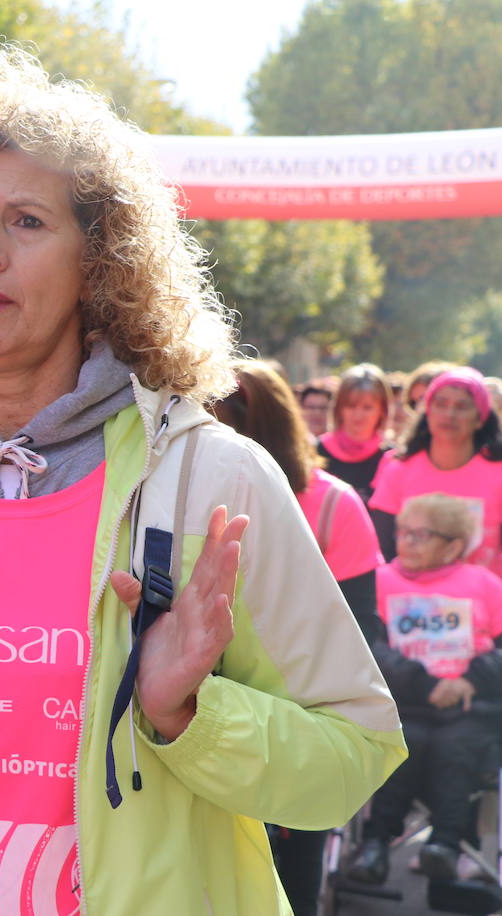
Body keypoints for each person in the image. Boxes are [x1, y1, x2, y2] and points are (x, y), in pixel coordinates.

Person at [0, 46, 404, 915]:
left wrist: (186, 715)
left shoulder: (210, 482)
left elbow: (352, 760)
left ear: (101, 261)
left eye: (27, 221)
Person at [212, 360, 384, 916]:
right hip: (198, 719)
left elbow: (361, 629)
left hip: (294, 723)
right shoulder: (175, 491)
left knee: (294, 880)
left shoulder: (334, 505)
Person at [347, 493, 502, 886]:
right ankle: (375, 846)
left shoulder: (485, 585)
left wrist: (470, 680)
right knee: (401, 747)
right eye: (404, 532)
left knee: (457, 749)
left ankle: (446, 847)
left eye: (422, 535)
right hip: (402, 704)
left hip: (468, 706)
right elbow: (367, 646)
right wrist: (424, 684)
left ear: (453, 545)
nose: (407, 541)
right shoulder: (378, 582)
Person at [370, 366, 502, 577]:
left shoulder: (498, 474)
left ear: (480, 419)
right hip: (407, 604)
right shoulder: (398, 470)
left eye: (462, 406)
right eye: (441, 404)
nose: (449, 414)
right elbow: (381, 550)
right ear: (428, 412)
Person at [318, 363, 394, 505]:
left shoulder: (392, 458)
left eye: (367, 407)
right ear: (339, 408)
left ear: (382, 410)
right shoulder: (316, 452)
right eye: (351, 406)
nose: (358, 415)